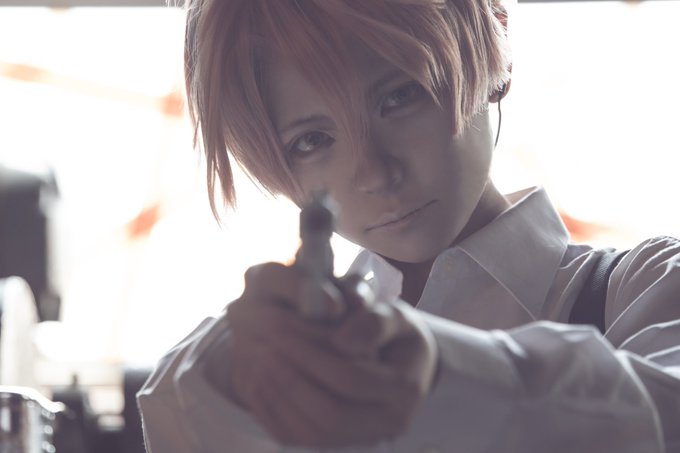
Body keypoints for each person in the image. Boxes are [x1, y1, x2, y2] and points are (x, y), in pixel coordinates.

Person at [137, 0, 680, 452]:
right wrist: (226, 368)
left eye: (400, 96)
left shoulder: (645, 287)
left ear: (497, 45)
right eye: (312, 141)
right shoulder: (283, 357)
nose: (375, 173)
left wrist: (445, 372)